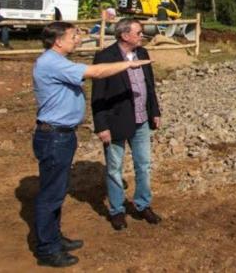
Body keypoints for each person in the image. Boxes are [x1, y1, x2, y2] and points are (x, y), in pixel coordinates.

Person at [32, 22, 151, 268]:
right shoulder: (51, 63)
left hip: (62, 135)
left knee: (57, 190)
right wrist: (129, 64)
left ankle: (54, 238)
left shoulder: (56, 61)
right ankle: (47, 249)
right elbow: (96, 74)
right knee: (51, 196)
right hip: (55, 136)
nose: (78, 39)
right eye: (74, 36)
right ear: (58, 41)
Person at [92, 18, 162, 231]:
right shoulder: (105, 57)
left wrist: (155, 111)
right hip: (116, 122)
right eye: (139, 33)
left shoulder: (142, 53)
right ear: (125, 36)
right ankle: (117, 210)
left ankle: (142, 205)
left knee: (144, 165)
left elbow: (150, 86)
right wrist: (101, 126)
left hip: (141, 120)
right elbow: (98, 95)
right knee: (114, 168)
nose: (142, 36)